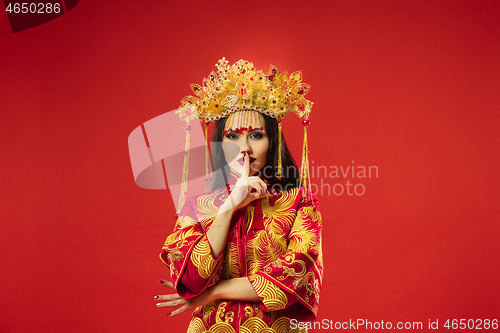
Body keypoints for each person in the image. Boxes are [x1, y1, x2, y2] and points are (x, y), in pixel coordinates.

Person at [155, 58, 323, 333]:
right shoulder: (197, 206)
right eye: (233, 136)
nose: (244, 148)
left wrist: (213, 292)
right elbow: (190, 279)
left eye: (256, 136)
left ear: (273, 140)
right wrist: (229, 207)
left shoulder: (298, 201)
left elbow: (296, 276)